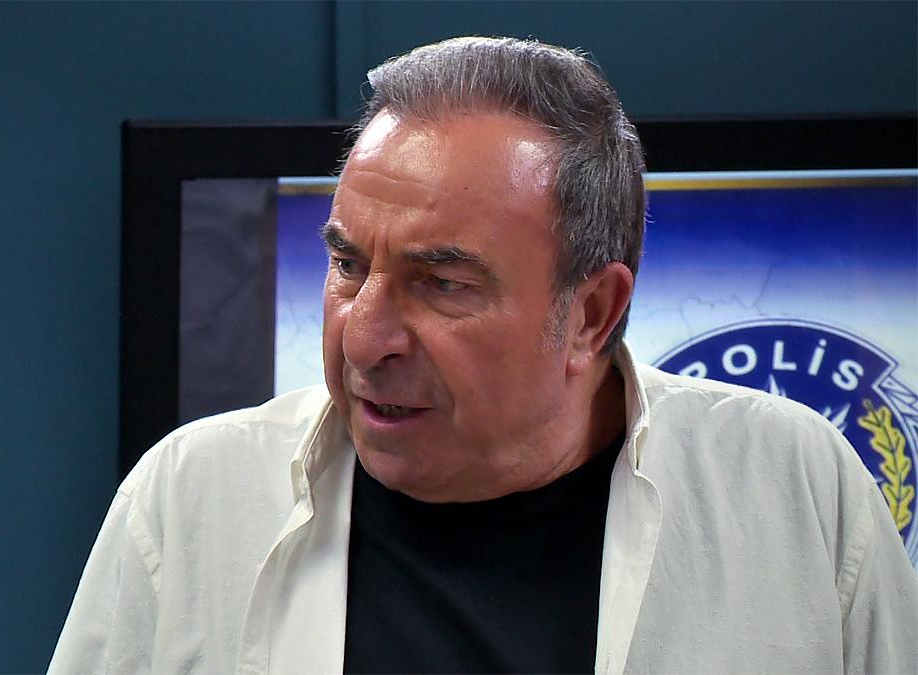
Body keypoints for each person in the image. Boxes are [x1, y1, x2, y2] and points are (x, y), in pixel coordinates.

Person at [49, 37, 917, 674]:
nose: (363, 337)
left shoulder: (798, 494)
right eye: (347, 265)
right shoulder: (188, 504)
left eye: (440, 284)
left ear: (593, 313)